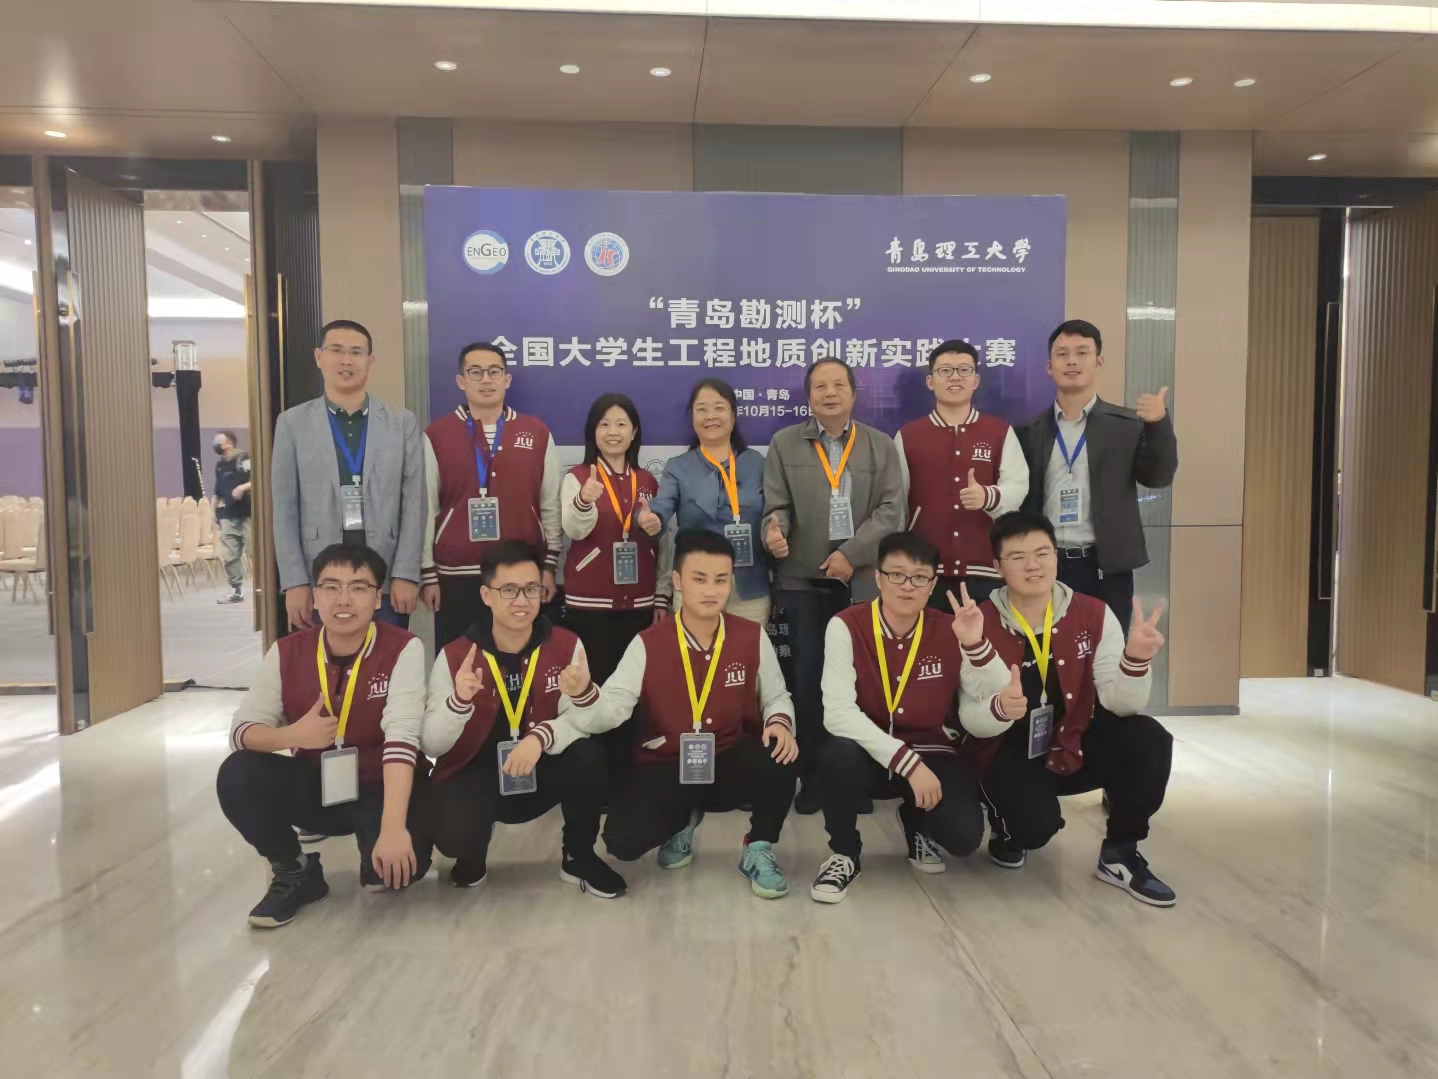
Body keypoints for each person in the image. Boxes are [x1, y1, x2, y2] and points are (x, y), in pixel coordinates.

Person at [959, 510, 1175, 907]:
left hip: (1073, 739)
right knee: (1033, 831)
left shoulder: (1092, 613)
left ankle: (1121, 852)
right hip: (1007, 750)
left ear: (1056, 557)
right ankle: (1008, 829)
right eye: (1018, 556)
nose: (1033, 565)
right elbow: (970, 720)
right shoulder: (975, 622)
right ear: (997, 567)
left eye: (1042, 553)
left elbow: (1120, 704)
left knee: (1148, 738)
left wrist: (1135, 661)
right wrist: (1000, 709)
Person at [575, 530, 800, 899]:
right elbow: (612, 708)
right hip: (669, 763)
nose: (711, 590)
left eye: (720, 580)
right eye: (699, 579)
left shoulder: (751, 636)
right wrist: (583, 692)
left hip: (729, 757)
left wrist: (779, 722)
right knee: (622, 843)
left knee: (782, 751)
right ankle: (682, 820)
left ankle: (759, 845)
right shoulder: (647, 643)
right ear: (678, 581)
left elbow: (777, 696)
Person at [216, 543, 430, 929]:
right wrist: (292, 735)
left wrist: (393, 829)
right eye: (331, 587)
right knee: (238, 772)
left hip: (381, 787)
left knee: (393, 876)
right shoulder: (286, 652)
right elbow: (241, 731)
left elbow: (403, 736)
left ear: (377, 598)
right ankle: (295, 870)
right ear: (315, 596)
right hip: (317, 787)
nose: (343, 599)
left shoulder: (403, 647)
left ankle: (380, 840)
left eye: (359, 588)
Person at [420, 540, 626, 898]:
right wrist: (458, 702)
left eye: (531, 589)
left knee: (588, 756)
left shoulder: (566, 645)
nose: (522, 601)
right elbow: (432, 745)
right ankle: (472, 852)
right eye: (509, 590)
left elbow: (589, 722)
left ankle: (578, 856)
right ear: (486, 595)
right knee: (451, 832)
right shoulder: (455, 656)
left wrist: (547, 730)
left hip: (541, 769)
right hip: (481, 777)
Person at [809, 531, 1003, 903]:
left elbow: (997, 692)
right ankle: (844, 853)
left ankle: (917, 823)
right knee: (837, 754)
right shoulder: (846, 625)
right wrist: (907, 764)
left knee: (964, 838)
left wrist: (975, 644)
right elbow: (837, 713)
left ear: (932, 584)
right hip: (867, 749)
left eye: (919, 577)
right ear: (878, 578)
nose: (907, 585)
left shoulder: (950, 627)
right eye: (896, 574)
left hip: (931, 750)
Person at [761, 357, 905, 814]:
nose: (829, 393)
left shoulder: (880, 445)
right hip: (803, 580)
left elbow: (892, 511)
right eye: (820, 386)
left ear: (853, 393)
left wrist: (851, 555)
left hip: (861, 583)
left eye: (838, 385)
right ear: (808, 396)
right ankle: (812, 779)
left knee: (860, 683)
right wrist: (774, 533)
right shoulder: (784, 443)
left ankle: (854, 780)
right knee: (807, 681)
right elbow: (776, 506)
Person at [1016, 320, 1177, 634]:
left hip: (1105, 566)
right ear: (1049, 367)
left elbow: (1158, 477)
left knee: (1106, 652)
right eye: (1062, 354)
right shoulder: (1028, 431)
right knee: (1044, 650)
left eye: (1082, 353)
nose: (1072, 361)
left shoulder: (1126, 425)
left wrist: (1158, 425)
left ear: (1098, 362)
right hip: (1044, 564)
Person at [271, 319, 425, 631]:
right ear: (319, 357)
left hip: (384, 575)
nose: (346, 360)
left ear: (370, 360)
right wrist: (295, 582)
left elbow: (414, 503)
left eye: (356, 352)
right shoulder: (292, 424)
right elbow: (284, 509)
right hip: (318, 578)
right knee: (322, 661)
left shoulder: (402, 422)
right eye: (336, 351)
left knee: (384, 658)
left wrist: (406, 573)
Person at [420, 341, 562, 650]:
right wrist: (428, 573)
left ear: (506, 380)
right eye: (476, 372)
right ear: (461, 381)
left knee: (520, 662)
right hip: (457, 575)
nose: (486, 380)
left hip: (522, 574)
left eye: (494, 372)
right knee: (461, 660)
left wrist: (549, 566)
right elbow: (426, 508)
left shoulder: (536, 432)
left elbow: (550, 504)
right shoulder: (437, 434)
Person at [894, 340, 1028, 610]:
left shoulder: (999, 431)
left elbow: (1018, 485)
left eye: (964, 370)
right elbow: (895, 503)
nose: (955, 377)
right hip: (924, 571)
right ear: (930, 382)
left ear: (976, 380)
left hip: (986, 567)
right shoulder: (908, 436)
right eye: (945, 370)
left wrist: (987, 497)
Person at [647, 378, 771, 624]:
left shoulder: (757, 463)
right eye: (702, 409)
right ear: (692, 417)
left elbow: (775, 512)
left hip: (749, 590)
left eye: (719, 408)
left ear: (733, 416)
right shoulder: (678, 467)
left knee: (748, 649)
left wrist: (776, 534)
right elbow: (661, 507)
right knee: (693, 649)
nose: (710, 416)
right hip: (695, 585)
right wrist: (651, 519)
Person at [561, 392, 665, 682]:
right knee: (594, 685)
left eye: (621, 424)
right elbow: (574, 530)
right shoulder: (578, 477)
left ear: (634, 432)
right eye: (604, 424)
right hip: (589, 603)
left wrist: (661, 597)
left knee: (636, 686)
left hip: (641, 601)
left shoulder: (648, 481)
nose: (613, 432)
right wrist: (584, 501)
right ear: (593, 432)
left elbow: (664, 544)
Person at [212, 430, 252, 604]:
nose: (216, 444)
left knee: (253, 551)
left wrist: (242, 488)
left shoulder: (243, 459)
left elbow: (257, 480)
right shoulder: (220, 465)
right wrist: (212, 512)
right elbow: (217, 491)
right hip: (228, 514)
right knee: (230, 554)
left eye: (218, 440)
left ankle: (264, 587)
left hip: (248, 513)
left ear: (229, 442)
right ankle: (236, 590)